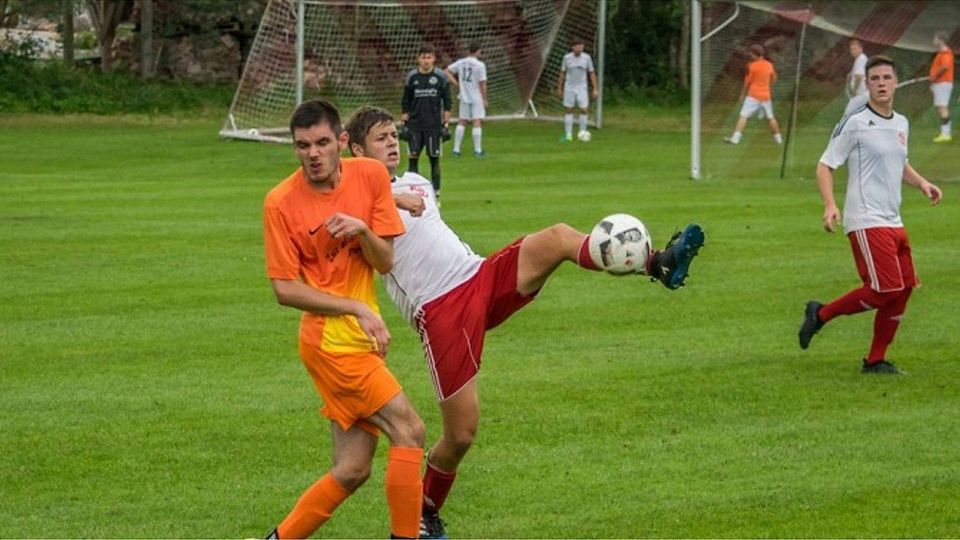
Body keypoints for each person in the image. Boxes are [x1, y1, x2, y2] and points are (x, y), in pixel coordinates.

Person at [344, 106, 705, 539]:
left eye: (393, 136)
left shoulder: (417, 182)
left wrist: (398, 194)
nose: (392, 144)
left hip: (478, 276)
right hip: (441, 311)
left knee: (557, 238)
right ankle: (423, 511)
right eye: (380, 138)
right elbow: (347, 201)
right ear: (356, 149)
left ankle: (657, 264)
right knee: (461, 434)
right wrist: (392, 199)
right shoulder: (354, 201)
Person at [261, 99, 425, 539]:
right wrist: (356, 308)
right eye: (302, 146)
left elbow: (385, 261)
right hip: (331, 343)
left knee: (352, 468)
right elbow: (284, 289)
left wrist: (363, 229)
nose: (312, 154)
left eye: (321, 143)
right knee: (409, 430)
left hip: (356, 339)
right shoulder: (280, 203)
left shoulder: (370, 176)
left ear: (342, 141)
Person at [799, 56, 943, 374]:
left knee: (903, 289)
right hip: (866, 219)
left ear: (896, 82)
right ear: (867, 84)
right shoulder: (855, 122)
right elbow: (825, 164)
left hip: (894, 219)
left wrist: (922, 183)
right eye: (875, 78)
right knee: (885, 289)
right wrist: (830, 205)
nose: (881, 83)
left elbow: (899, 162)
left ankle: (875, 360)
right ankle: (820, 314)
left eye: (886, 77)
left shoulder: (901, 123)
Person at [401, 43, 453, 201]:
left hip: (433, 126)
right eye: (423, 57)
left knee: (434, 160)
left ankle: (436, 193)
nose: (426, 60)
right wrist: (404, 124)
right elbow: (405, 102)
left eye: (429, 57)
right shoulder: (412, 77)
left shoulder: (440, 77)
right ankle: (413, 192)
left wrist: (446, 124)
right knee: (413, 159)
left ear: (434, 59)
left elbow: (448, 102)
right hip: (415, 125)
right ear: (418, 59)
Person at [724, 44, 782, 145]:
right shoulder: (769, 65)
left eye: (751, 54)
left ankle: (735, 139)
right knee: (770, 117)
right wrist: (768, 86)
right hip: (766, 95)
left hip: (753, 95)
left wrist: (742, 94)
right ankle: (779, 139)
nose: (750, 56)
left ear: (755, 54)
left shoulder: (752, 66)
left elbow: (747, 83)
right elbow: (774, 78)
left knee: (743, 116)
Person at [444, 42, 488, 157]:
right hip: (476, 96)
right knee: (476, 121)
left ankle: (456, 150)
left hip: (464, 96)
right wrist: (484, 99)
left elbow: (446, 71)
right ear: (478, 51)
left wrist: (456, 84)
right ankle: (477, 150)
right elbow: (482, 83)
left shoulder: (461, 62)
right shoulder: (480, 65)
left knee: (462, 121)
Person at [556, 37, 599, 142]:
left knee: (584, 109)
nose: (579, 48)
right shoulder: (567, 58)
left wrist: (595, 88)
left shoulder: (587, 58)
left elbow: (591, 73)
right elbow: (562, 73)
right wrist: (559, 88)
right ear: (573, 47)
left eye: (581, 46)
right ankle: (568, 135)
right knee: (569, 109)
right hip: (569, 87)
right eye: (577, 46)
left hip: (582, 87)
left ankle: (582, 132)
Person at [929, 31, 954, 143]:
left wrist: (934, 77)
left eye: (935, 38)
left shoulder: (946, 53)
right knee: (941, 107)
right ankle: (945, 133)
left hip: (943, 83)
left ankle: (946, 134)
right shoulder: (941, 53)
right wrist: (933, 83)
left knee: (942, 107)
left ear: (941, 40)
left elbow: (944, 66)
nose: (934, 41)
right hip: (940, 83)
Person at [844, 38, 869, 115]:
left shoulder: (861, 58)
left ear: (861, 49)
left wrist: (854, 91)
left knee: (848, 115)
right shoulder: (859, 59)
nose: (852, 51)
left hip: (860, 94)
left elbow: (859, 77)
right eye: (851, 49)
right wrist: (851, 75)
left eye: (854, 49)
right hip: (862, 94)